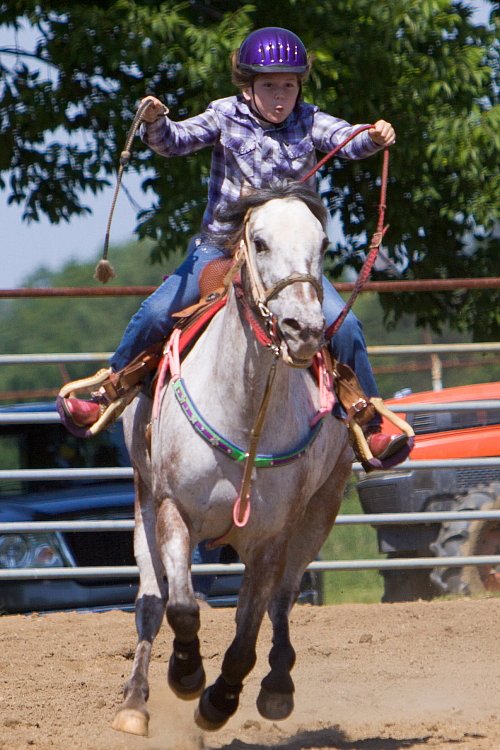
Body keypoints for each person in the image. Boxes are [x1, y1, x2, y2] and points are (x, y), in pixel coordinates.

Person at [60, 26, 410, 464]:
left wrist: (374, 137)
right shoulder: (224, 115)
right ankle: (110, 387)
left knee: (347, 327)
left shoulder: (311, 119)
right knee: (155, 311)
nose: (280, 96)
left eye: (289, 85)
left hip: (287, 261)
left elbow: (349, 140)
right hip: (221, 249)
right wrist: (155, 122)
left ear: (300, 85)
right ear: (247, 86)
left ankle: (368, 420)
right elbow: (177, 141)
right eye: (269, 85)